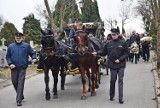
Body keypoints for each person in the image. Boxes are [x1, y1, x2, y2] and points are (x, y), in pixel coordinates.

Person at [92, 28, 129, 104]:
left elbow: (126, 53)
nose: (113, 36)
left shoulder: (123, 43)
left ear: (118, 35)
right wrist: (96, 53)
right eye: (112, 35)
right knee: (112, 80)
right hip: (112, 65)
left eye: (115, 34)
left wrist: (120, 59)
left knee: (120, 80)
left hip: (121, 64)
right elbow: (103, 52)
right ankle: (111, 95)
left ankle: (120, 98)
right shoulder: (108, 43)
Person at [6, 32, 36, 107]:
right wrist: (10, 64)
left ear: (22, 38)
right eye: (17, 38)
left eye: (19, 38)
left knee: (20, 83)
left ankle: (18, 100)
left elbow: (32, 53)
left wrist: (34, 58)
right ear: (15, 38)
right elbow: (8, 57)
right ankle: (21, 95)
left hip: (22, 67)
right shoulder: (11, 46)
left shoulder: (26, 46)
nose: (18, 39)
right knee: (14, 82)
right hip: (14, 68)